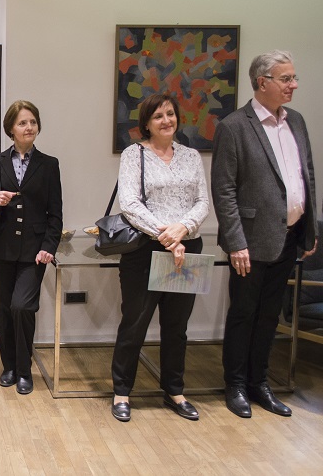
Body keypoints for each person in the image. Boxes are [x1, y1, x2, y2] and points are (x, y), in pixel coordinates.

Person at [212, 50, 317, 419]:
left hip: (288, 237)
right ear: (262, 82)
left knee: (270, 315)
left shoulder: (296, 121)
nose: (294, 85)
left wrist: (309, 228)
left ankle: (260, 383)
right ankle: (236, 385)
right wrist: (236, 242)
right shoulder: (233, 127)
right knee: (244, 314)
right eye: (286, 79)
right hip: (250, 241)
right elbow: (224, 190)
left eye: (293, 78)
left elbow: (306, 175)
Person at [109, 93, 209, 422]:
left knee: (177, 325)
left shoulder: (191, 156)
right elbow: (130, 204)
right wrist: (166, 235)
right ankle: (122, 391)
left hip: (187, 249)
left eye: (170, 114)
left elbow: (202, 202)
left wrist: (182, 229)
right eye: (158, 116)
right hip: (145, 250)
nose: (166, 120)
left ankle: (174, 390)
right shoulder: (134, 154)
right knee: (134, 323)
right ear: (147, 123)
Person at [0, 100, 62, 394]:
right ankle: (9, 366)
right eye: (22, 122)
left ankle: (25, 369)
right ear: (11, 128)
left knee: (22, 307)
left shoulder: (49, 165)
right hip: (0, 248)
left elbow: (55, 213)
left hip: (34, 251)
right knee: (3, 309)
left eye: (33, 122)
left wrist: (49, 246)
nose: (29, 127)